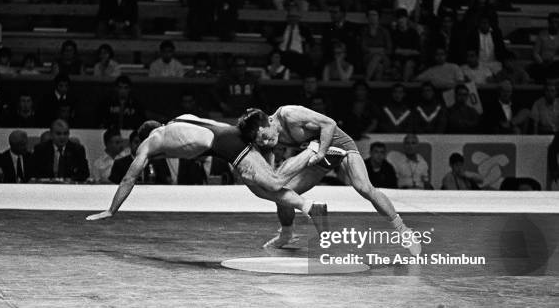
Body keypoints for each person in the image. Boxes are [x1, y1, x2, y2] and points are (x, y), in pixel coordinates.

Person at [86, 114, 331, 232]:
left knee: (274, 181)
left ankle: (313, 149)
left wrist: (111, 210)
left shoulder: (151, 141)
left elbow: (129, 177)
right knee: (260, 190)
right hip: (227, 136)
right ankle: (311, 207)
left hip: (224, 144)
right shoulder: (179, 120)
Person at [237, 107, 422, 255]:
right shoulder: (267, 137)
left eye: (265, 137)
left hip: (338, 145)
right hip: (317, 151)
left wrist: (321, 152)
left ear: (269, 121)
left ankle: (404, 230)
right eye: (260, 142)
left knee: (364, 188)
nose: (266, 143)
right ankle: (286, 234)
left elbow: (329, 123)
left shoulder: (289, 115)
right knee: (282, 193)